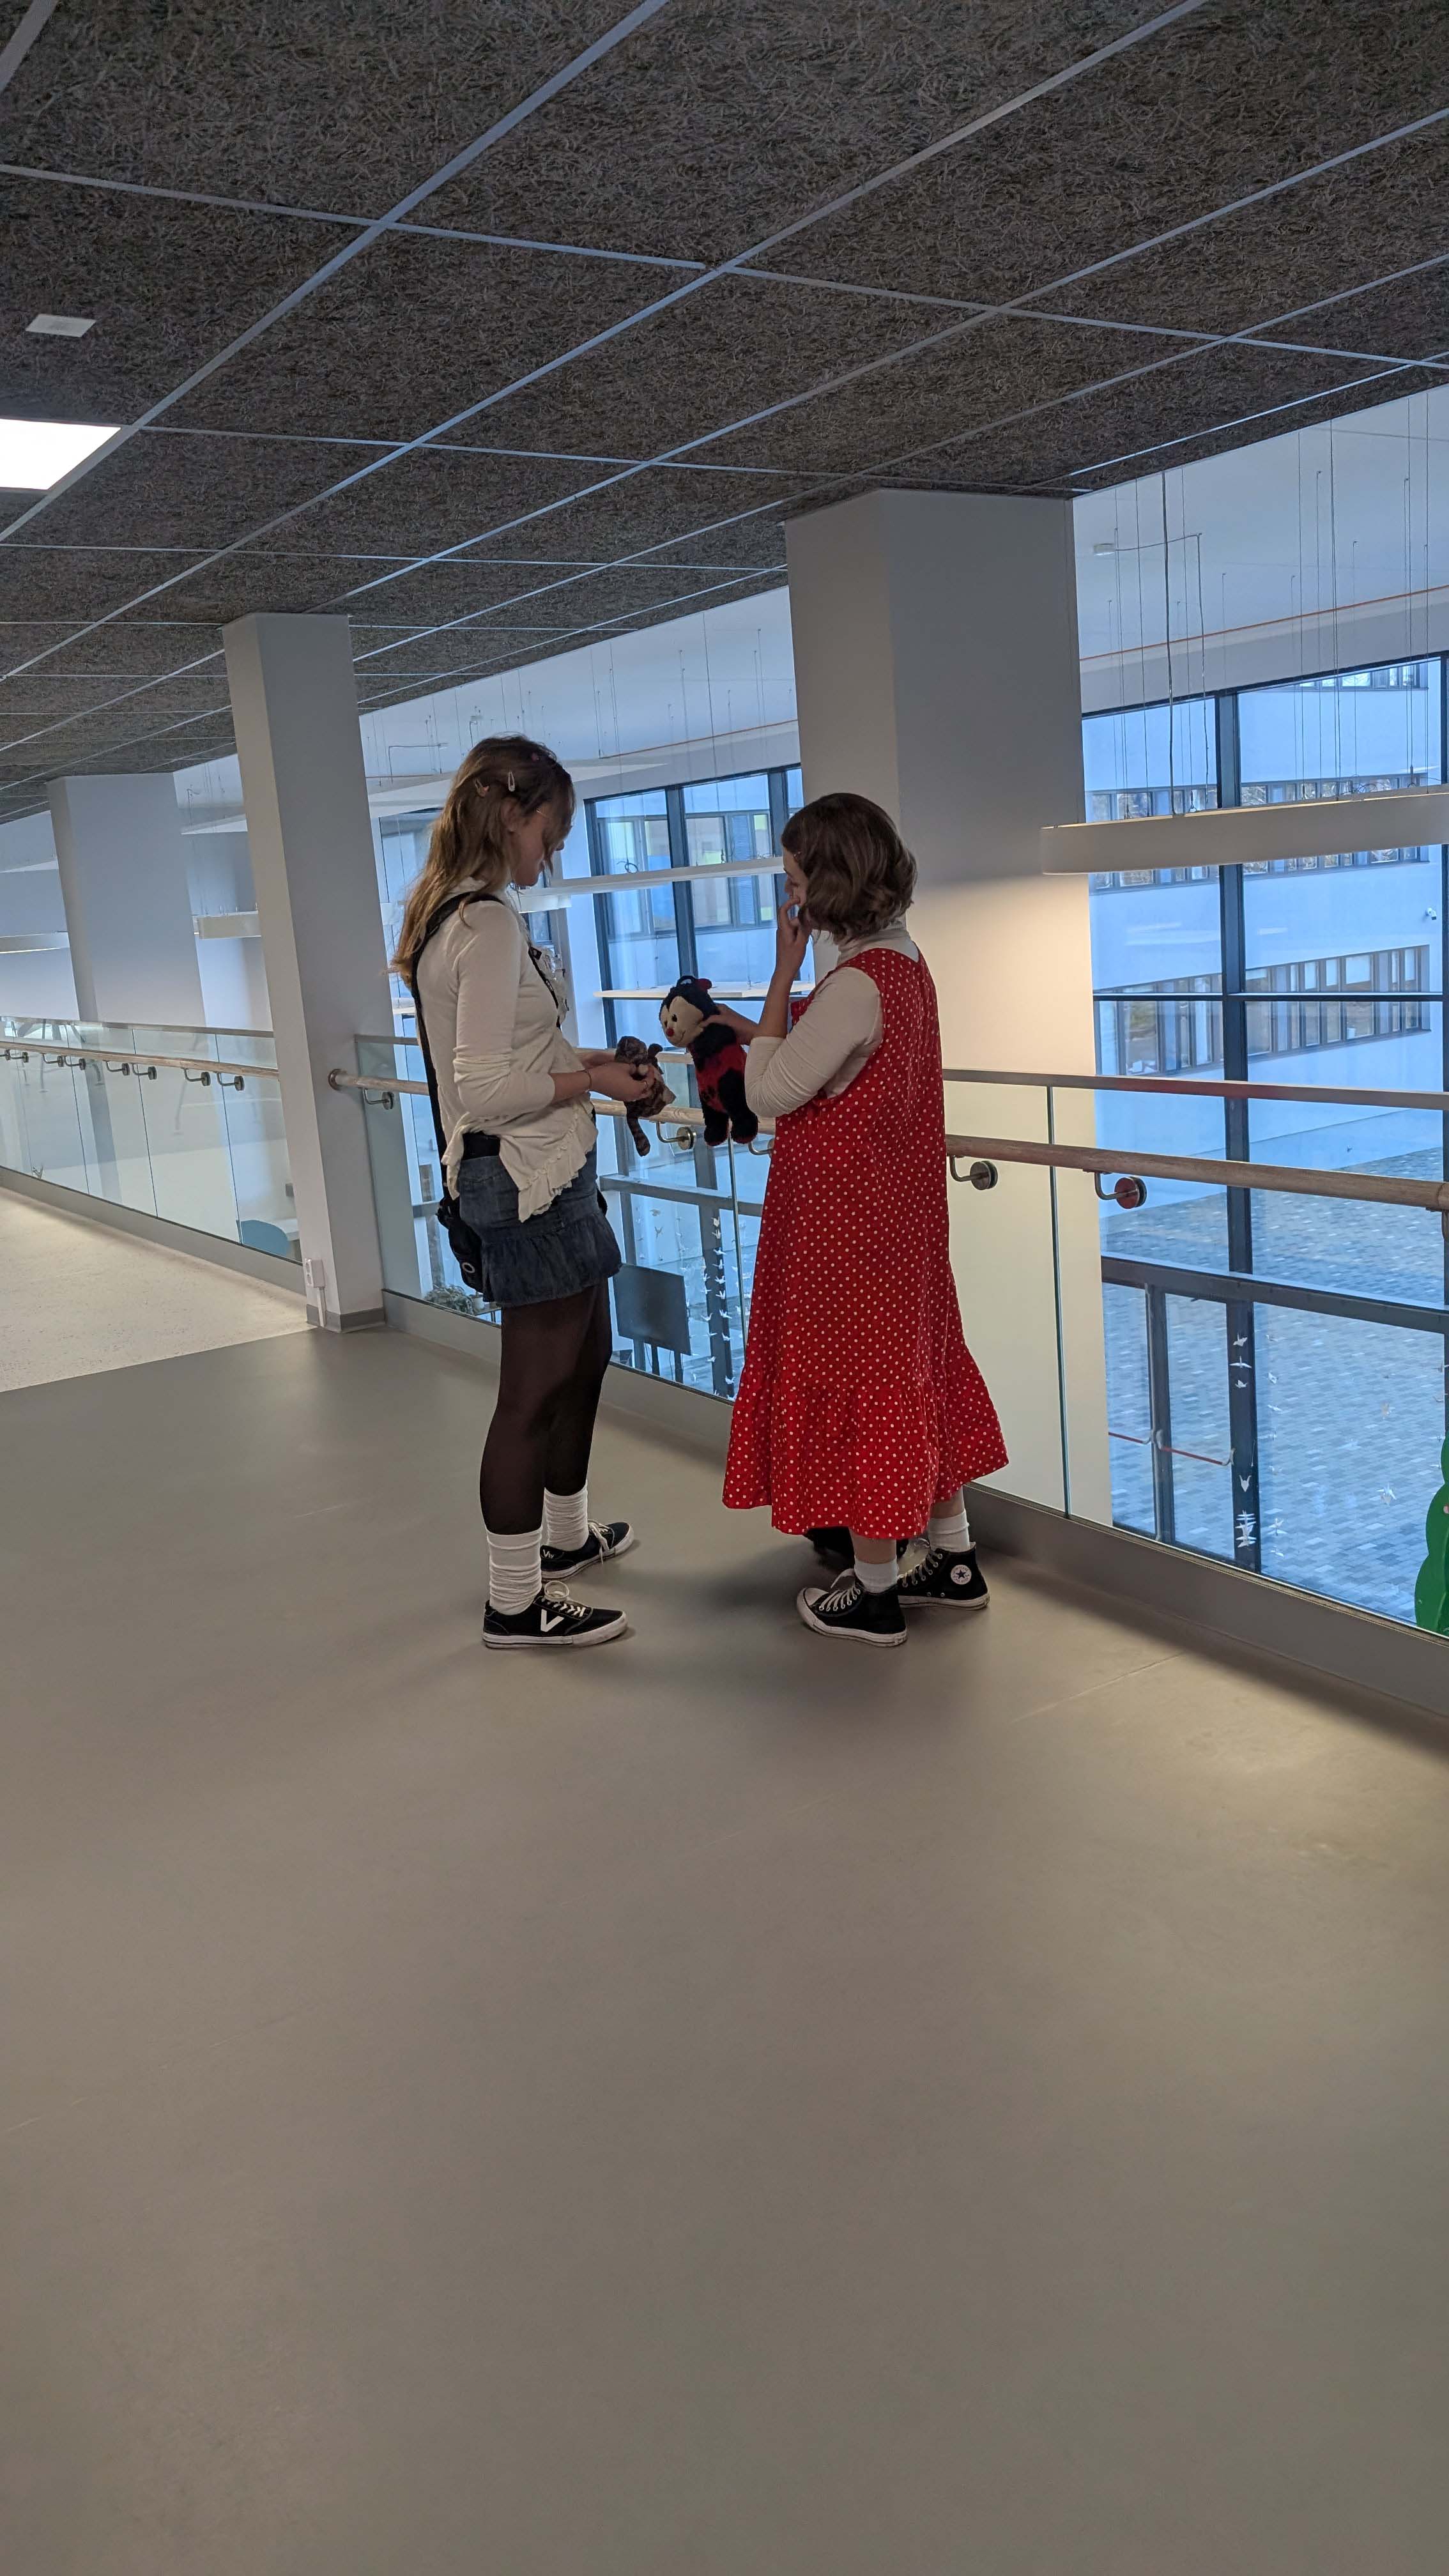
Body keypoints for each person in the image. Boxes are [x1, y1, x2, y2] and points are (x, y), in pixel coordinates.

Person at [720, 791, 1008, 1647]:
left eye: (795, 880)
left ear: (831, 883)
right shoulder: (908, 964)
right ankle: (952, 1558)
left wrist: (782, 973)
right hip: (900, 1225)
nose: (789, 897)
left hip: (843, 1233)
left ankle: (875, 1589)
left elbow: (765, 1093)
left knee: (863, 1394)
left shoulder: (853, 988)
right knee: (911, 1379)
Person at [393, 735, 657, 1651]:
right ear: (514, 815)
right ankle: (515, 1602)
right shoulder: (488, 924)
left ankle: (566, 1538)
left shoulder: (459, 918)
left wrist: (598, 1063)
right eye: (553, 831)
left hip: (546, 1170)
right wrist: (596, 1083)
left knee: (586, 1358)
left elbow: (515, 1058)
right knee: (530, 1396)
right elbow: (485, 1090)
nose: (555, 851)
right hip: (526, 1178)